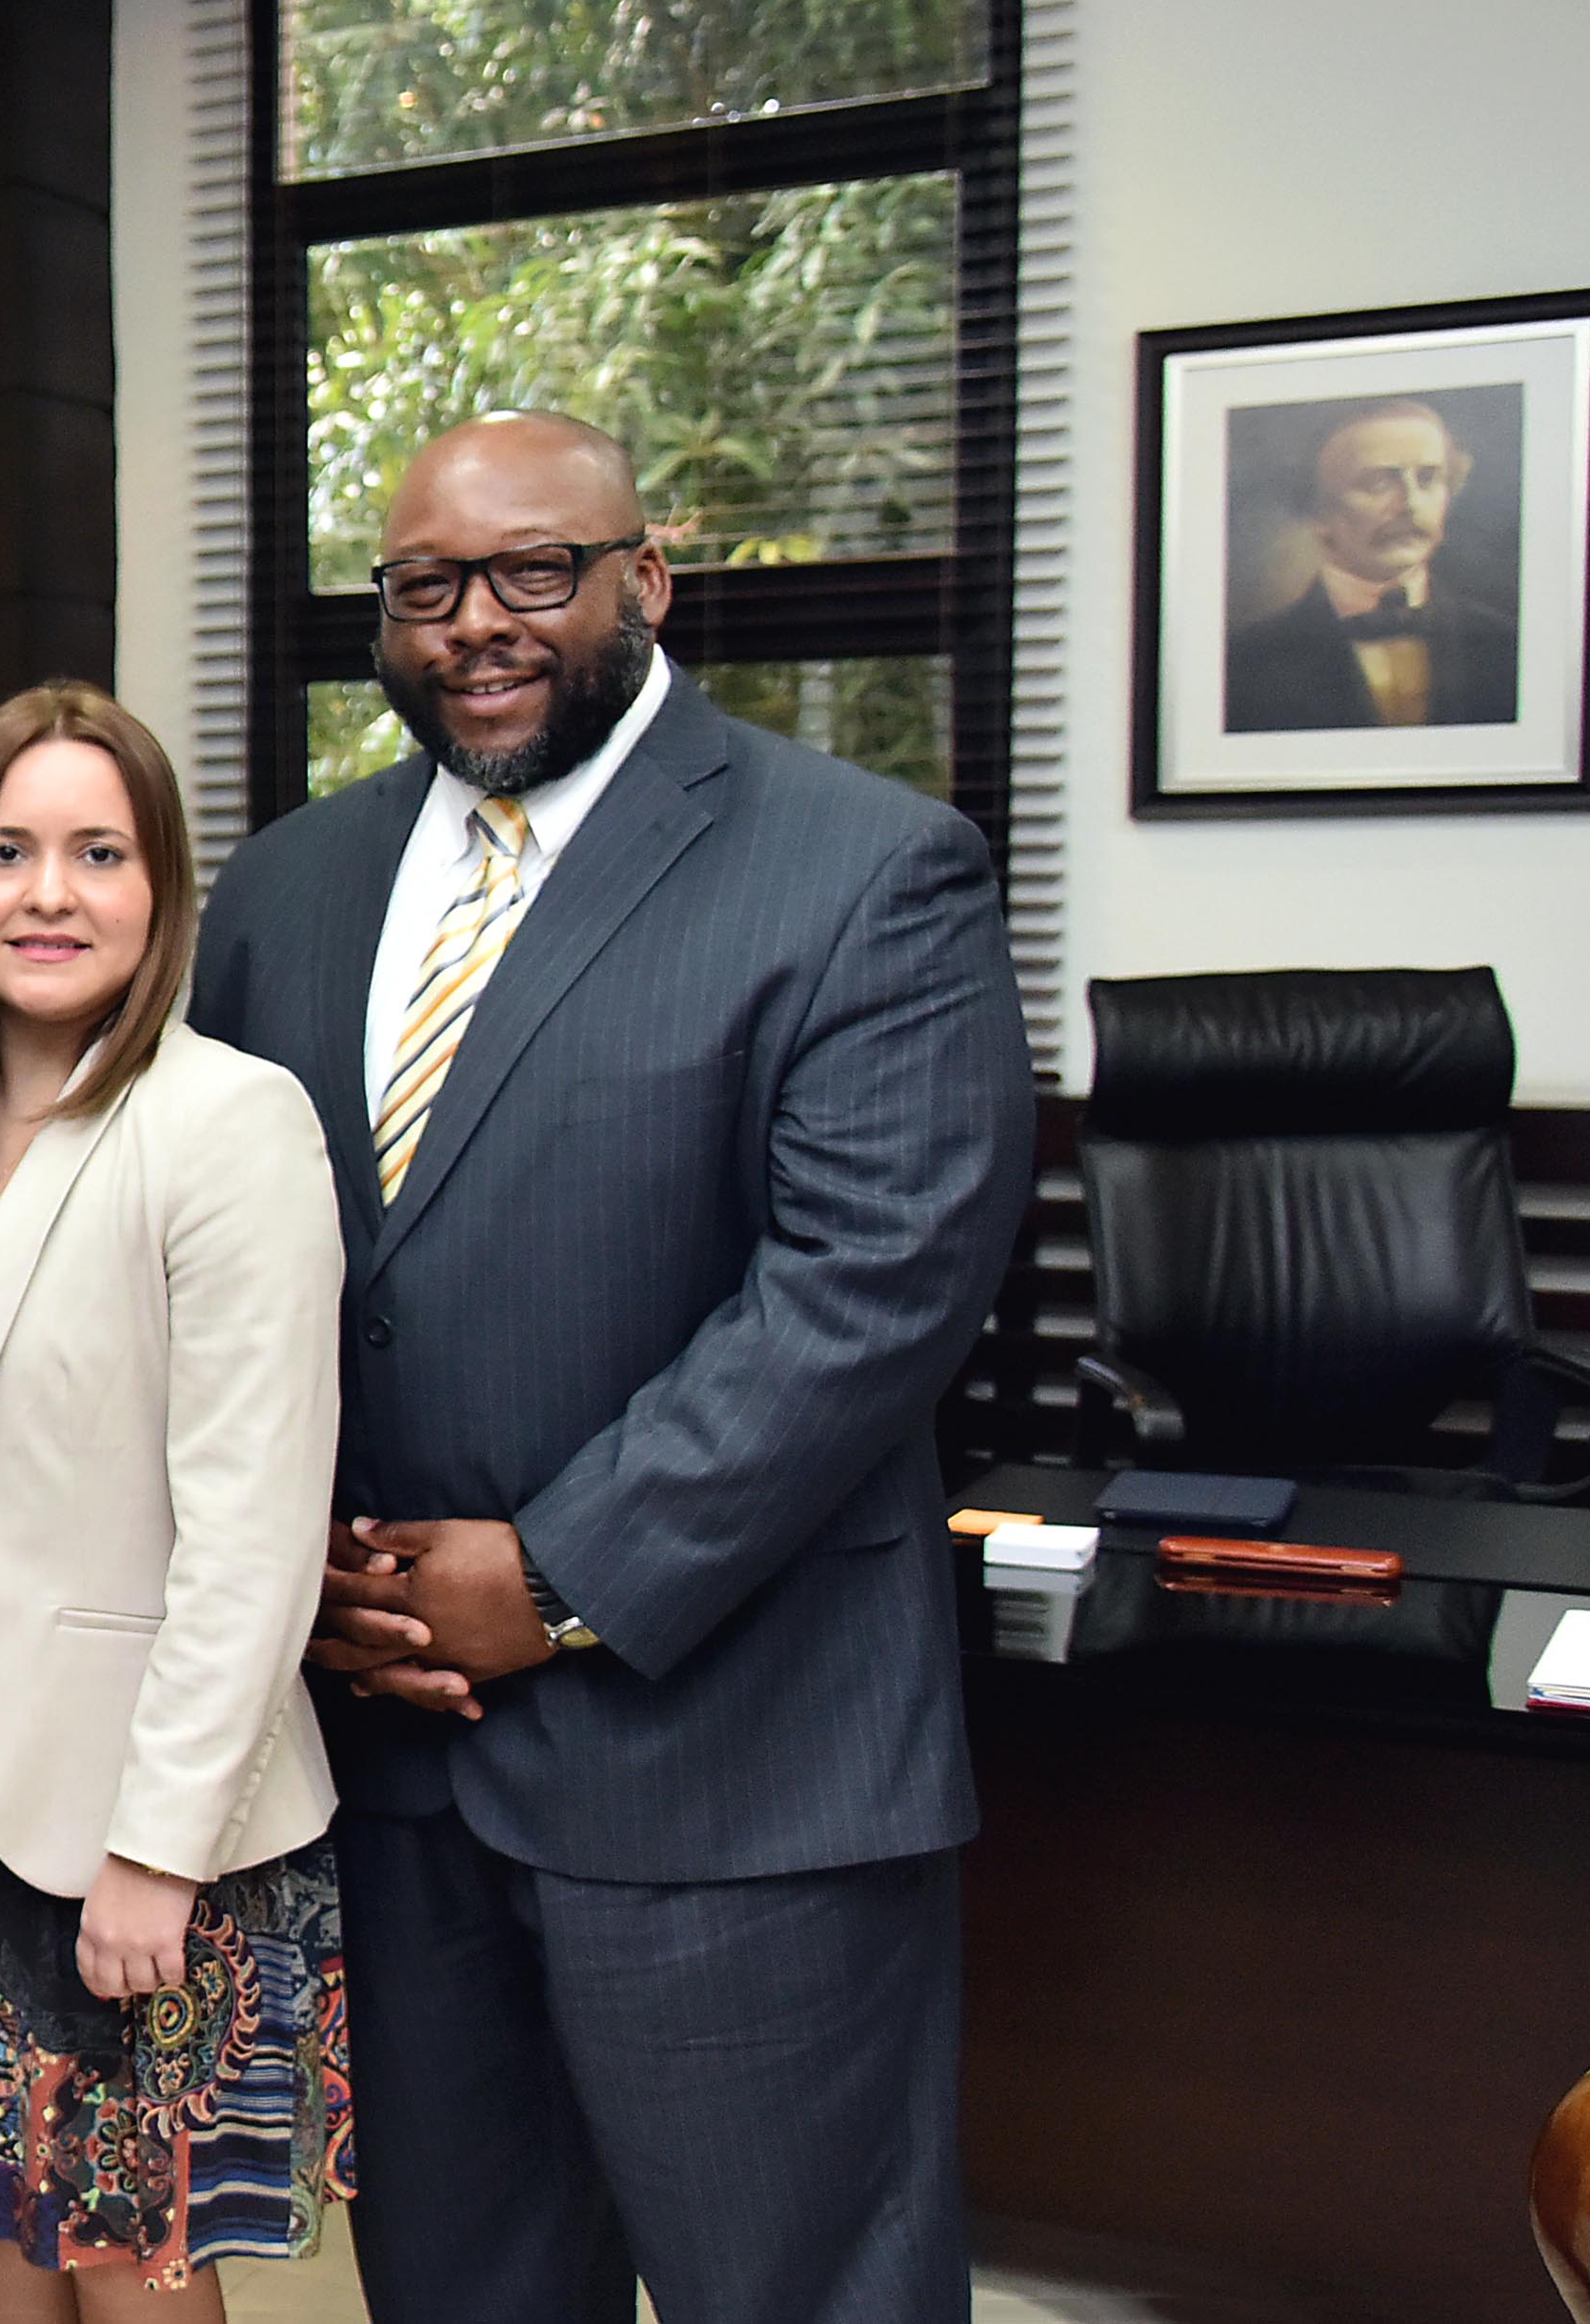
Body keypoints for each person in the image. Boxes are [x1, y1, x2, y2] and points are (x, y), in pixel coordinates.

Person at [190, 412, 1036, 2324]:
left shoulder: (862, 868)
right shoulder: (285, 892)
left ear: (642, 583)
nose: (473, 622)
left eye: (530, 573)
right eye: (423, 587)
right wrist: (294, 1564)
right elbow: (238, 1274)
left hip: (737, 1772)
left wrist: (553, 1581)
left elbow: (870, 1286)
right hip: (393, 1771)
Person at [0, 682, 351, 2318]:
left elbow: (254, 1533)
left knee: (132, 2272)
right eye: (2, 849)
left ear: (159, 890)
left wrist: (157, 1847)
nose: (44, 892)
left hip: (134, 1810)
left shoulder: (225, 1122)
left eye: (93, 851)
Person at [1223, 396, 1519, 732]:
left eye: (1427, 479)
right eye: (1378, 483)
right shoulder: (1247, 663)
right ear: (1317, 510)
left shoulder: (1506, 645)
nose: (1410, 503)